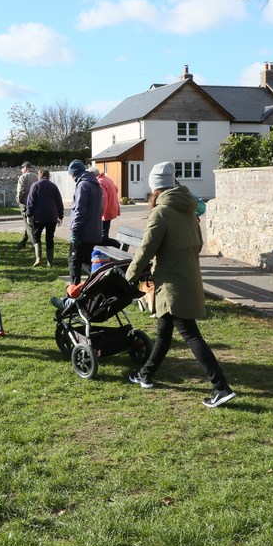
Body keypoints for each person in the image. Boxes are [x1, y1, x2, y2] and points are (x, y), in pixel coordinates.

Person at [125, 161, 237, 408]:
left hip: (172, 281)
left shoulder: (161, 212)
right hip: (186, 275)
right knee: (164, 330)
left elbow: (146, 248)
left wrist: (130, 275)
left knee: (190, 334)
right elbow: (198, 244)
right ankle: (146, 374)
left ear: (156, 189)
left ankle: (221, 387)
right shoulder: (188, 207)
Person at [67, 160, 102, 285]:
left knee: (74, 261)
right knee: (86, 262)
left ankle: (74, 290)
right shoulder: (95, 184)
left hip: (83, 233)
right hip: (94, 232)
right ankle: (97, 283)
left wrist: (75, 232)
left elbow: (79, 211)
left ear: (74, 173)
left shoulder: (83, 185)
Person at [26, 168, 64, 267]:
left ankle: (38, 258)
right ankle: (49, 262)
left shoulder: (35, 185)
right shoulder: (53, 186)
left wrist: (29, 214)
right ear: (48, 175)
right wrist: (60, 215)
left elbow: (30, 201)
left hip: (39, 216)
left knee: (36, 236)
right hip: (52, 216)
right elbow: (59, 202)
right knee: (49, 238)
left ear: (39, 175)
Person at [15, 161, 36, 249]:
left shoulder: (23, 177)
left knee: (28, 224)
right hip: (35, 203)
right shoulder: (37, 176)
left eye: (22, 168)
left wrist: (19, 200)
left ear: (26, 168)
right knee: (30, 223)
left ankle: (34, 245)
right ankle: (24, 241)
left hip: (25, 202)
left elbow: (20, 191)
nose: (21, 170)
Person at [96, 167, 121, 239]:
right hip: (111, 207)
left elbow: (103, 198)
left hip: (105, 211)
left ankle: (107, 247)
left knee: (103, 235)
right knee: (105, 231)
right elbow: (116, 189)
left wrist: (101, 213)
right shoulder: (107, 179)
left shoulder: (99, 182)